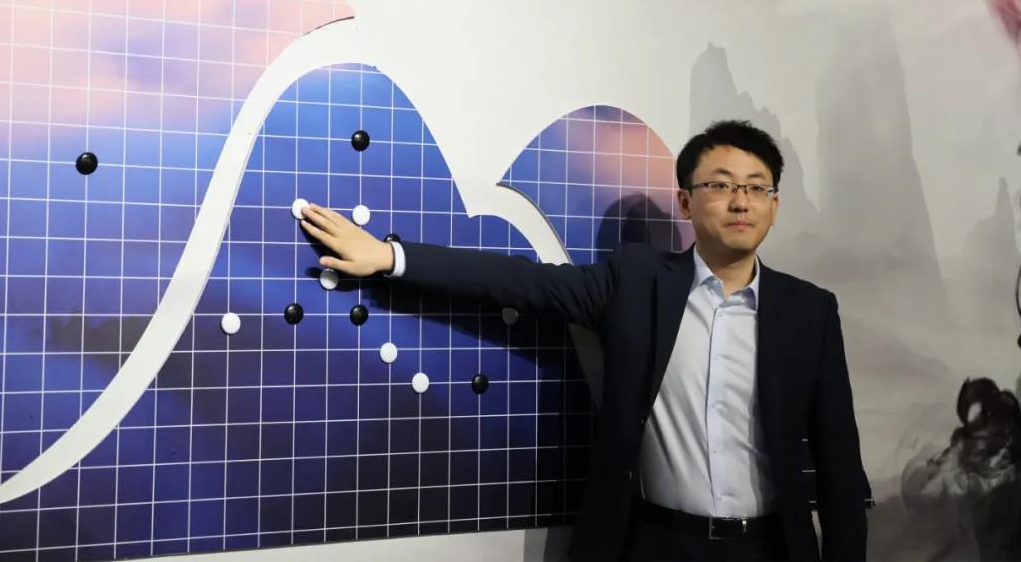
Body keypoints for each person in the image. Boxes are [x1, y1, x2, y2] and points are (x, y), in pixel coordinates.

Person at [299, 120, 868, 561]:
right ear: (687, 202)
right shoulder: (636, 282)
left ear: (774, 205)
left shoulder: (809, 311)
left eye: (756, 188)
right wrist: (391, 257)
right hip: (654, 545)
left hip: (771, 549)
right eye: (720, 185)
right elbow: (521, 281)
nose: (740, 201)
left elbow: (839, 466)